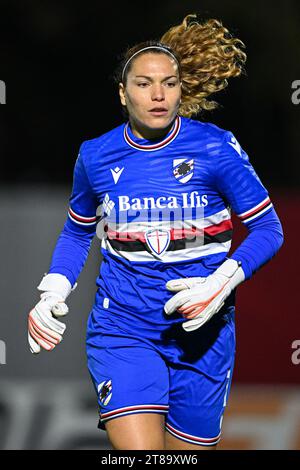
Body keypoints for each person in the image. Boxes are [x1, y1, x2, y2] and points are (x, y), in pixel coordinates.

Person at [27, 14, 284, 450]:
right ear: (122, 93)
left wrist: (221, 284)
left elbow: (268, 229)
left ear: (183, 89)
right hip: (122, 327)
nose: (159, 94)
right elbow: (76, 233)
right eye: (144, 83)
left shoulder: (215, 147)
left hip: (204, 333)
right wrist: (53, 291)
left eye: (169, 82)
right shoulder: (95, 156)